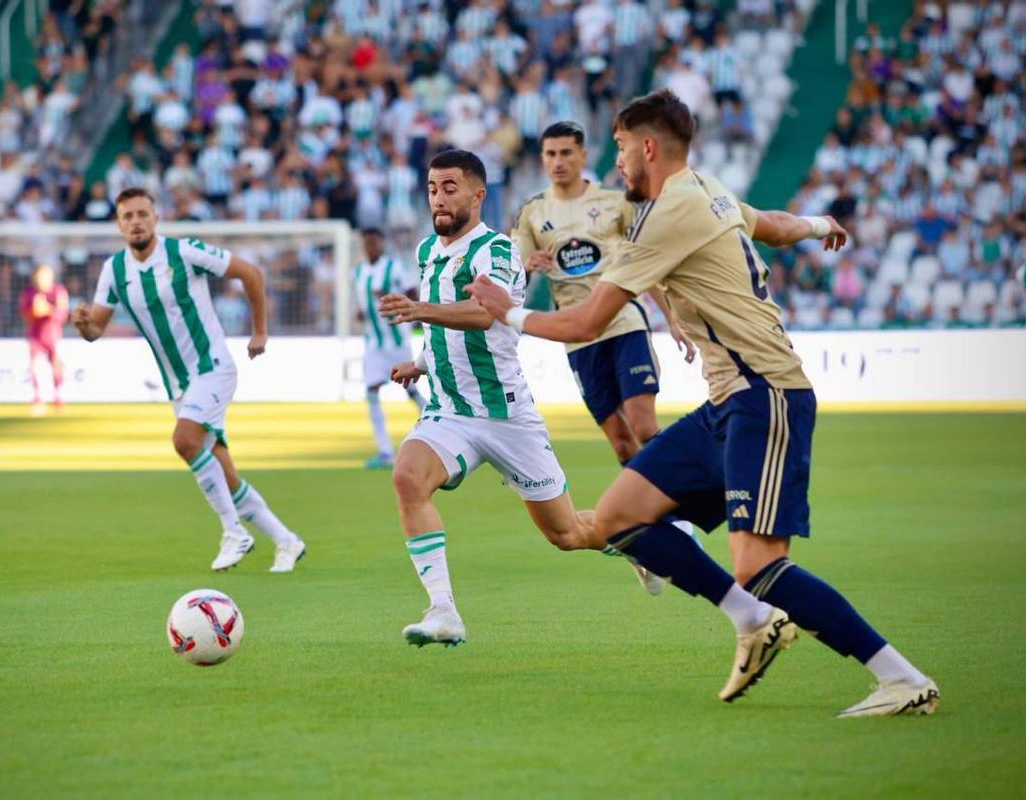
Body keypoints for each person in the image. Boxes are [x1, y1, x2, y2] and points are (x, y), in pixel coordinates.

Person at [467, 90, 938, 717]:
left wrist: (509, 313)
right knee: (618, 518)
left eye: (621, 148)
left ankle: (902, 678)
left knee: (760, 565)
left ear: (649, 147)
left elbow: (584, 323)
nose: (617, 161)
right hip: (727, 403)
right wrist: (822, 224)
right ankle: (752, 623)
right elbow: (771, 224)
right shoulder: (707, 190)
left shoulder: (667, 212)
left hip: (766, 395)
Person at [377, 149, 609, 649]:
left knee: (567, 534)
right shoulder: (426, 251)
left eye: (450, 188)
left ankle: (640, 543)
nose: (439, 198)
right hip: (449, 412)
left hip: (505, 415)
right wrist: (421, 362)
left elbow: (485, 315)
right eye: (433, 187)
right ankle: (443, 610)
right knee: (407, 476)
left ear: (478, 195)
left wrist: (419, 309)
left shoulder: (497, 251)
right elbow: (451, 327)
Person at [72, 188, 307, 574]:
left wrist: (259, 331)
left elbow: (250, 272)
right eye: (127, 216)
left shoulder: (184, 252)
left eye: (142, 214)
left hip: (212, 367)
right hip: (179, 387)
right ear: (118, 224)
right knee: (225, 475)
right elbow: (96, 327)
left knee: (184, 440)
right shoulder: (114, 271)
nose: (136, 221)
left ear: (156, 218)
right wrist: (83, 325)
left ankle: (234, 532)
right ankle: (286, 541)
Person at [513, 120, 702, 594]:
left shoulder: (613, 203)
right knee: (621, 444)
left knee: (643, 425)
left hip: (624, 323)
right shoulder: (533, 214)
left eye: (565, 153)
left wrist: (673, 317)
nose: (557, 162)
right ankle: (646, 525)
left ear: (582, 155)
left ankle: (678, 518)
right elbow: (507, 278)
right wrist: (524, 265)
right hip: (578, 339)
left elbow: (646, 262)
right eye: (549, 154)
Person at [354, 228, 427, 468]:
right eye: (367, 243)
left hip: (397, 341)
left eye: (374, 242)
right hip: (374, 343)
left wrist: (389, 297)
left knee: (411, 390)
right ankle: (385, 451)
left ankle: (435, 426)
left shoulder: (393, 267)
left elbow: (412, 294)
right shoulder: (358, 272)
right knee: (371, 391)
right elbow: (364, 305)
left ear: (381, 243)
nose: (371, 247)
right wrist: (362, 313)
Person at [21, 263, 68, 414]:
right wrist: (34, 311)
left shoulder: (59, 291)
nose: (42, 280)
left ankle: (58, 394)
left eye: (45, 276)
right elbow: (25, 313)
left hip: (52, 333)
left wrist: (48, 309)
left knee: (56, 362)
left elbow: (63, 314)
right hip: (35, 333)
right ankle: (37, 396)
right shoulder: (30, 293)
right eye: (39, 277)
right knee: (35, 363)